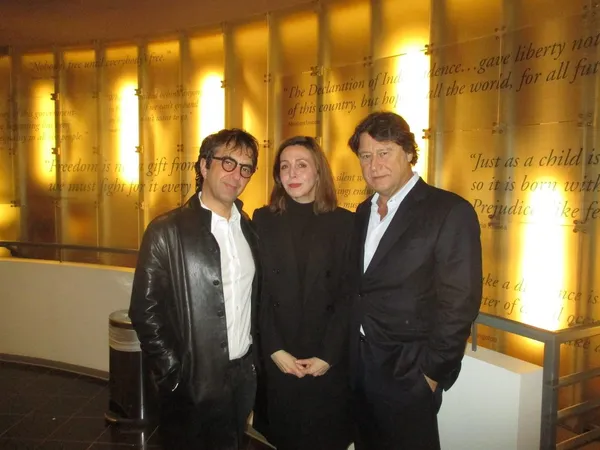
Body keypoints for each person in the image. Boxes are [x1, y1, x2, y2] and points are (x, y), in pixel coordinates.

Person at [347, 111, 483, 450]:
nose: (374, 165)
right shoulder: (362, 212)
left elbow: (460, 301)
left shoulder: (449, 211)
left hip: (408, 373)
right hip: (358, 367)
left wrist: (431, 374)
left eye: (384, 152)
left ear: (408, 152)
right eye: (366, 156)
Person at [129, 128, 261, 450]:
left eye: (246, 168)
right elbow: (145, 311)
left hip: (242, 376)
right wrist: (172, 372)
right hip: (190, 383)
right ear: (204, 165)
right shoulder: (166, 230)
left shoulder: (248, 229)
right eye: (228, 162)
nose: (237, 175)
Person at [252, 136, 354, 450]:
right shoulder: (262, 219)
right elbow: (258, 293)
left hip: (325, 358)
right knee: (282, 438)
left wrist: (328, 355)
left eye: (301, 165)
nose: (292, 173)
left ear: (319, 171)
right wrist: (274, 349)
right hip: (279, 356)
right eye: (284, 167)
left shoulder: (345, 223)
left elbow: (348, 296)